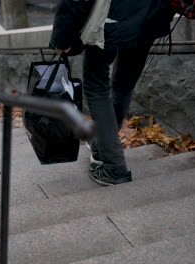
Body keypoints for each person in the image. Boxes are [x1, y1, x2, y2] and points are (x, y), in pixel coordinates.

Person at [49, 0, 173, 186]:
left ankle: (114, 167)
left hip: (109, 19)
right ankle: (102, 147)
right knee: (122, 87)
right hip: (150, 15)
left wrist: (61, 39)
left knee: (96, 86)